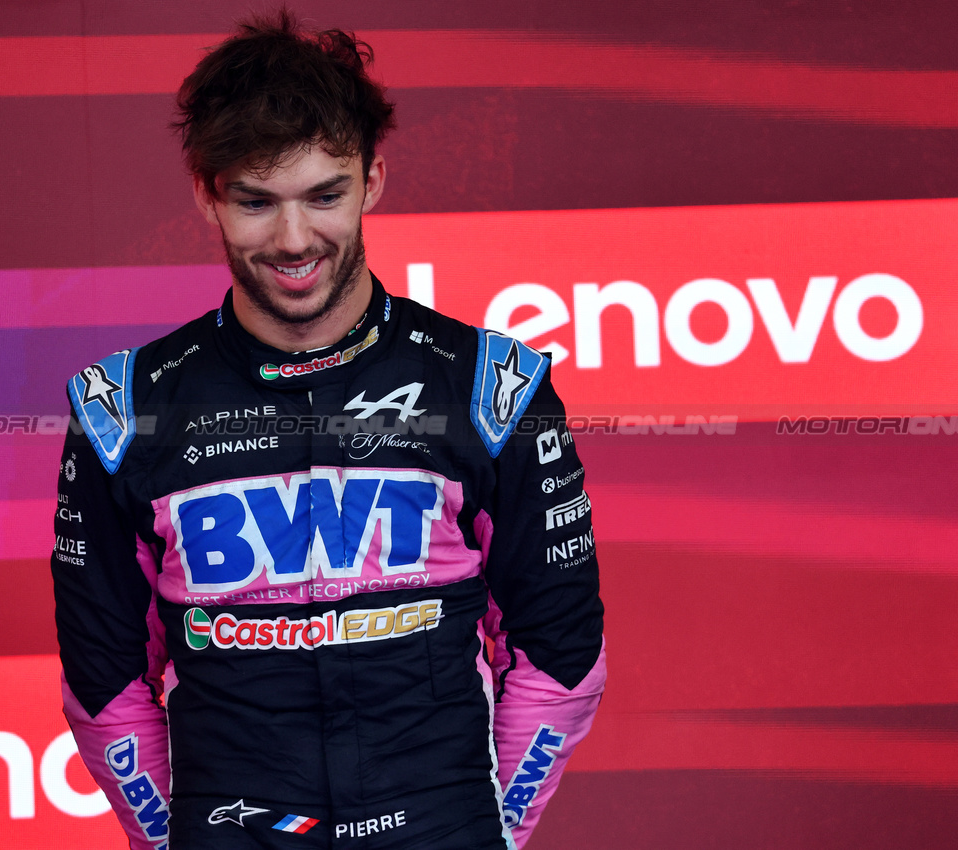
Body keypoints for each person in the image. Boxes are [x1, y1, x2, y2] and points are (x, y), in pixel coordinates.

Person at [51, 11, 605, 849]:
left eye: (324, 194)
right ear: (206, 194)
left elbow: (561, 661)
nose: (294, 238)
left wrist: (492, 830)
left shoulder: (493, 387)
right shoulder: (121, 408)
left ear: (372, 179)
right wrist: (171, 842)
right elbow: (105, 683)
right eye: (255, 202)